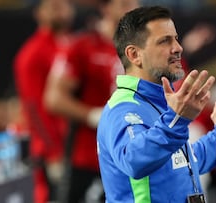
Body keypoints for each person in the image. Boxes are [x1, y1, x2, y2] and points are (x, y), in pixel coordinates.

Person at [97, 6, 216, 203]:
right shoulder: (123, 109)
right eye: (164, 41)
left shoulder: (161, 103)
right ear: (134, 55)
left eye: (175, 38)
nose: (178, 47)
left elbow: (184, 163)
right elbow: (134, 162)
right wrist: (176, 120)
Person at [43, 0, 139, 202]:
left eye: (135, 2)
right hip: (89, 157)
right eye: (123, 3)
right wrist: (93, 115)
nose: (132, 8)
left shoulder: (143, 47)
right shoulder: (83, 46)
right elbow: (53, 99)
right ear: (105, 8)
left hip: (132, 155)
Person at [13, 0, 75, 202]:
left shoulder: (71, 45)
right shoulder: (31, 54)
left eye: (64, 6)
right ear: (39, 13)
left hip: (75, 144)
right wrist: (53, 153)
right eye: (54, 7)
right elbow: (32, 108)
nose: (62, 12)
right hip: (52, 148)